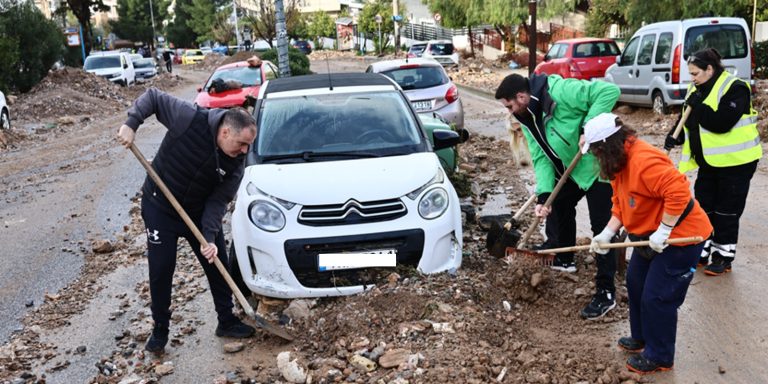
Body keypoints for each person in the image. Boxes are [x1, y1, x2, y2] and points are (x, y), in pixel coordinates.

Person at [116, 88, 258, 353]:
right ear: (225, 132)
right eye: (241, 144)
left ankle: (226, 320)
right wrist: (131, 124)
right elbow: (154, 97)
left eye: (248, 146)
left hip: (198, 210)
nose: (244, 151)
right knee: (161, 268)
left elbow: (218, 201)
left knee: (217, 262)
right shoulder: (189, 118)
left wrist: (208, 234)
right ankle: (160, 330)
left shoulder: (237, 163)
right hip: (161, 205)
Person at [585, 113, 713, 374]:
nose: (596, 157)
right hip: (648, 237)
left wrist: (665, 230)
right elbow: (621, 203)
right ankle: (642, 338)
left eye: (596, 151)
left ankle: (660, 356)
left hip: (680, 237)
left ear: (607, 146)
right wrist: (607, 233)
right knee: (636, 283)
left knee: (658, 296)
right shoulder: (619, 163)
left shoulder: (644, 160)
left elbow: (678, 191)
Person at [495, 73, 621, 320]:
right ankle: (565, 257)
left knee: (602, 228)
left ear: (521, 96)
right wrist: (543, 197)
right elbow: (541, 158)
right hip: (572, 170)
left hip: (597, 167)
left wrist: (589, 127)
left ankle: (606, 292)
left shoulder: (561, 90)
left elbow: (609, 91)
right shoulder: (527, 117)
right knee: (559, 202)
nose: (509, 112)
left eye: (509, 106)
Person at [664, 48, 760, 276]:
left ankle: (722, 257)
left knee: (726, 211)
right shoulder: (697, 88)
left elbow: (721, 122)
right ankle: (702, 250)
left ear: (710, 69)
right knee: (704, 207)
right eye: (691, 74)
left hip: (737, 163)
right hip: (709, 163)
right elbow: (686, 117)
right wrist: (674, 135)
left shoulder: (735, 88)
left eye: (696, 73)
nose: (692, 79)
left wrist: (699, 106)